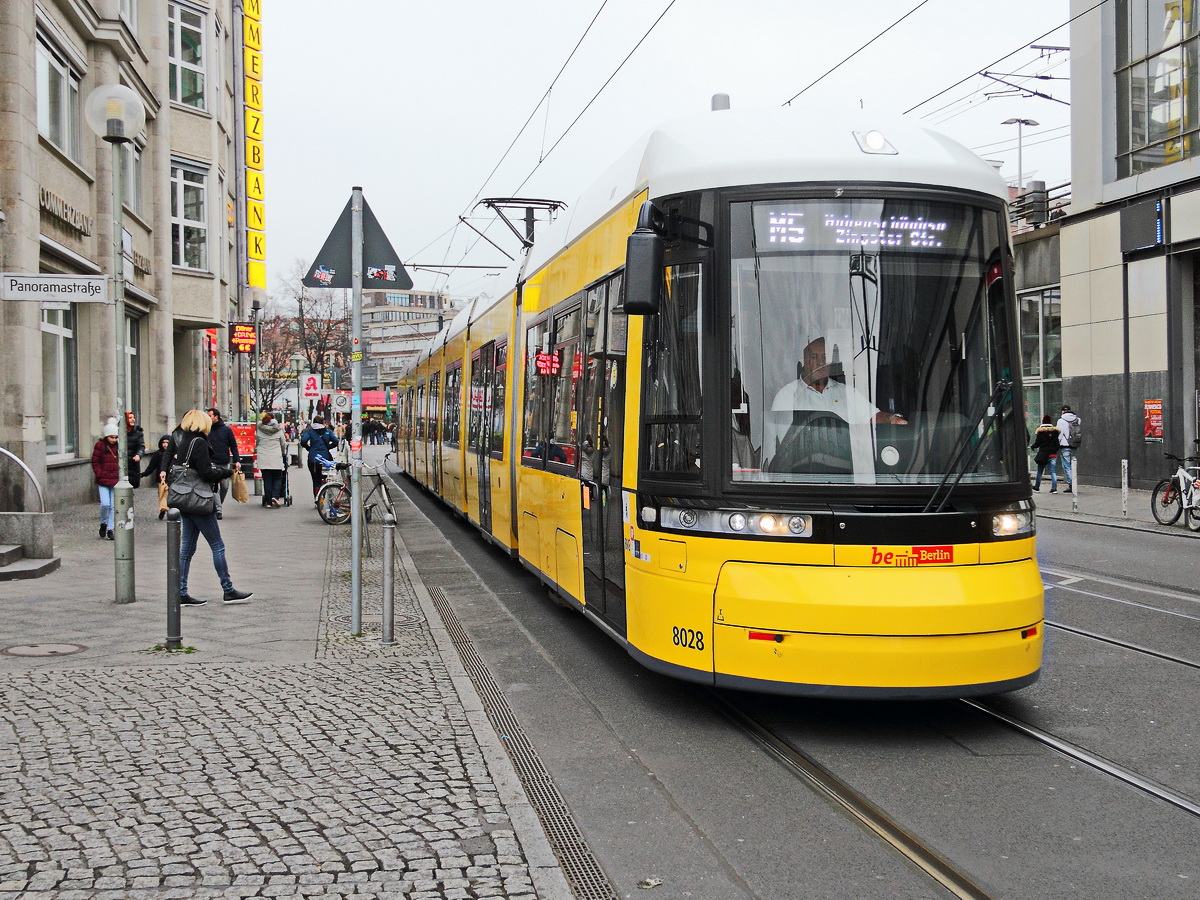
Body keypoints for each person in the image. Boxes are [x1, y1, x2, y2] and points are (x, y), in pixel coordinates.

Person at [166, 409, 253, 607]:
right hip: (199, 501)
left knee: (187, 549)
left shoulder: (184, 440)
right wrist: (224, 472)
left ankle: (181, 592)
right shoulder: (200, 442)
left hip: (185, 500)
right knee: (217, 546)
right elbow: (205, 472)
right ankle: (228, 589)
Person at [90, 419, 120, 540]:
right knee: (105, 504)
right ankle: (103, 522)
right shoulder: (100, 446)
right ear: (106, 436)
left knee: (113, 506)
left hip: (115, 480)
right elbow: (95, 461)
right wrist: (99, 473)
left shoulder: (119, 447)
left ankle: (110, 529)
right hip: (103, 480)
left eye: (116, 437)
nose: (114, 439)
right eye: (111, 437)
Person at [206, 407, 241, 509]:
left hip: (224, 461)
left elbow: (233, 446)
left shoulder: (226, 430)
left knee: (225, 487)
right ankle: (218, 509)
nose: (208, 418)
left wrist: (237, 460)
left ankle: (218, 504)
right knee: (214, 486)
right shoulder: (206, 430)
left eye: (210, 416)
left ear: (216, 417)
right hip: (211, 462)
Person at [300, 415, 338, 498]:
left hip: (313, 459)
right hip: (325, 459)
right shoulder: (327, 432)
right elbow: (336, 441)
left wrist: (309, 448)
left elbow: (303, 441)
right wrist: (328, 447)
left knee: (315, 479)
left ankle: (316, 497)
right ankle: (322, 495)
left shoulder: (310, 431)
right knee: (323, 478)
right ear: (322, 422)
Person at [255, 411, 287, 508]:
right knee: (277, 477)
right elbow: (283, 443)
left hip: (263, 456)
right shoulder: (279, 429)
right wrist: (283, 453)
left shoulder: (260, 429)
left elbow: (257, 442)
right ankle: (275, 496)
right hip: (276, 456)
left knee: (267, 479)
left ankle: (268, 502)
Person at [140, 434, 173, 519]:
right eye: (163, 442)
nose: (165, 444)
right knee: (162, 495)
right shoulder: (158, 454)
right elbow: (152, 466)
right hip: (162, 479)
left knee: (171, 496)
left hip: (173, 478)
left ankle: (171, 512)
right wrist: (143, 474)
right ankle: (162, 510)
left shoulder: (174, 454)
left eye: (167, 442)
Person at [1029, 414, 1060, 493]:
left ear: (1043, 421)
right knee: (1053, 471)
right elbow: (1057, 444)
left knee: (1040, 471)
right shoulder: (1055, 432)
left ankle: (1037, 487)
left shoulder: (1041, 432)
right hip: (1052, 454)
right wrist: (1054, 450)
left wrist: (1033, 447)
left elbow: (1037, 443)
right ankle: (1054, 488)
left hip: (1043, 454)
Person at [1056, 404, 1081, 493]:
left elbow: (1060, 433)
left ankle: (1071, 484)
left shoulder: (1061, 420)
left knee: (1067, 466)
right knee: (1073, 464)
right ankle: (1074, 482)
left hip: (1064, 445)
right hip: (1074, 444)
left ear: (1063, 411)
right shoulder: (1077, 419)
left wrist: (1057, 443)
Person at [124, 411, 145, 488]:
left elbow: (141, 446)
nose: (133, 419)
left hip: (133, 464)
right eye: (130, 418)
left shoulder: (138, 433)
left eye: (133, 417)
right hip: (120, 464)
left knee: (131, 487)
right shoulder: (118, 432)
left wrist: (138, 455)